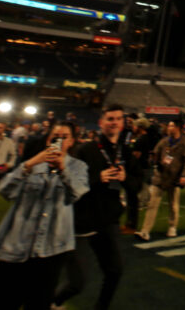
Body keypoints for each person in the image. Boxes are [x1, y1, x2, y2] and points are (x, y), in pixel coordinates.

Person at [0, 122, 88, 310]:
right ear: (48, 141)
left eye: (65, 137)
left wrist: (63, 169)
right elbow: (5, 190)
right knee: (4, 301)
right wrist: (29, 164)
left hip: (51, 249)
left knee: (38, 303)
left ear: (71, 142)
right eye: (55, 136)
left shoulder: (78, 167)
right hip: (17, 244)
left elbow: (76, 193)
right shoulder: (33, 163)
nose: (60, 140)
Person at [53, 104, 129, 310]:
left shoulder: (124, 151)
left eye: (118, 119)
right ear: (101, 122)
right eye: (110, 119)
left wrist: (126, 177)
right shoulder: (85, 150)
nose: (114, 122)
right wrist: (98, 178)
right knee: (77, 283)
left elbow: (136, 181)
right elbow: (72, 184)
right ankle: (53, 301)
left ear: (123, 123)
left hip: (108, 221)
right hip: (82, 223)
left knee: (115, 271)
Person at [139, 120, 185, 240]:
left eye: (172, 125)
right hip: (161, 177)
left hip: (175, 177)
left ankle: (172, 226)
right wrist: (153, 159)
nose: (169, 127)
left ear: (178, 128)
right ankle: (145, 230)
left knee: (173, 204)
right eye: (169, 125)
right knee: (152, 204)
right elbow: (155, 154)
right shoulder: (164, 141)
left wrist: (184, 176)